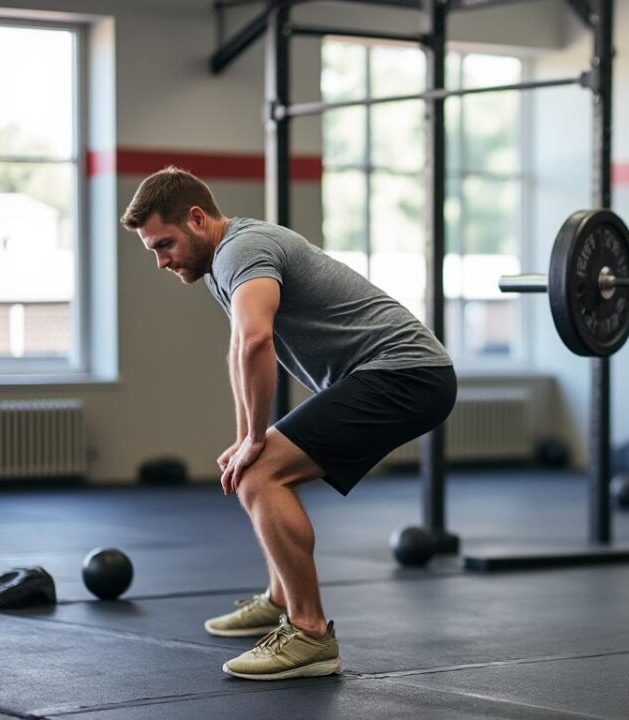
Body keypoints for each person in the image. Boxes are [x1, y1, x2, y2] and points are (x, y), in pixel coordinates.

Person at [120, 167, 456, 680]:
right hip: (396, 374)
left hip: (407, 373)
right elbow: (239, 350)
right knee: (254, 464)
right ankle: (281, 599)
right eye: (153, 251)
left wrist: (257, 440)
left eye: (164, 245)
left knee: (261, 474)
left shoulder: (241, 250)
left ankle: (310, 633)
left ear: (196, 218)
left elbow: (257, 341)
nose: (162, 261)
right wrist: (244, 438)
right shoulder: (221, 262)